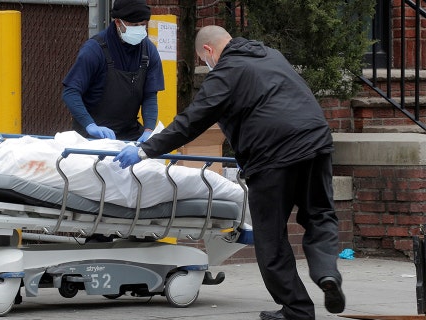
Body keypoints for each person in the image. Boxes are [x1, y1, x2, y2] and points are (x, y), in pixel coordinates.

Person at [113, 25, 345, 320]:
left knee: (271, 236)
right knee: (320, 215)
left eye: (202, 59)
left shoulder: (227, 70)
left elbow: (193, 119)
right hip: (316, 142)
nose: (206, 65)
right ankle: (327, 275)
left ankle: (297, 309)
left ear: (208, 51)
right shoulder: (271, 55)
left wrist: (146, 150)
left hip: (272, 154)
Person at [62, 0, 164, 142]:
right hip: (93, 135)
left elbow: (150, 95)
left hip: (129, 132)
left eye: (143, 25)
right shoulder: (94, 50)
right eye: (134, 25)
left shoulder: (148, 51)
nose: (140, 29)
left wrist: (148, 131)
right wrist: (90, 125)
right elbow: (71, 92)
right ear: (117, 22)